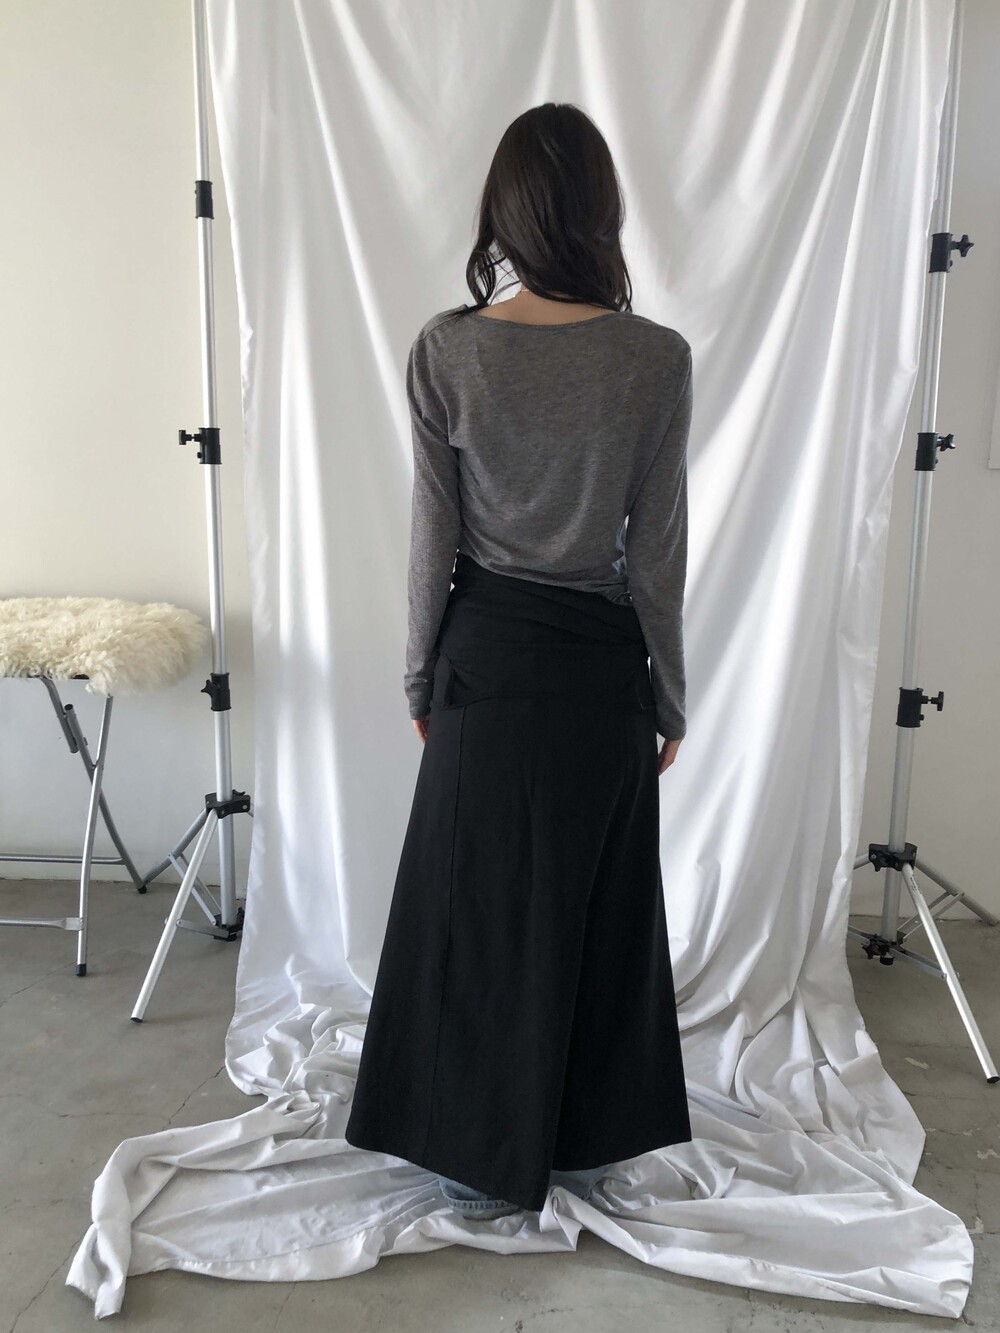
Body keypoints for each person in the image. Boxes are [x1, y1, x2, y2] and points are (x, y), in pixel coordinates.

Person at [344, 102, 693, 1221]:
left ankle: (466, 1140)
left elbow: (432, 541)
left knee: (473, 905)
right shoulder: (654, 357)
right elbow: (657, 552)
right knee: (599, 902)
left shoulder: (449, 349)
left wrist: (418, 676)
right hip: (599, 667)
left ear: (502, 214)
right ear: (603, 212)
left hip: (484, 659)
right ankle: (587, 1137)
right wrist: (669, 695)